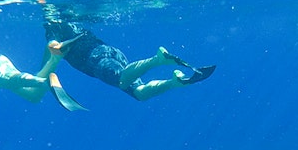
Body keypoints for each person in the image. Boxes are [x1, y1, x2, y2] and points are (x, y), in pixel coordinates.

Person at [44, 20, 215, 102]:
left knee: (121, 80)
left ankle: (158, 60)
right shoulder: (74, 20)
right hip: (112, 53)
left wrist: (60, 47)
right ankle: (175, 82)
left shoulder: (53, 26)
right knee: (139, 93)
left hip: (95, 60)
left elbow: (54, 47)